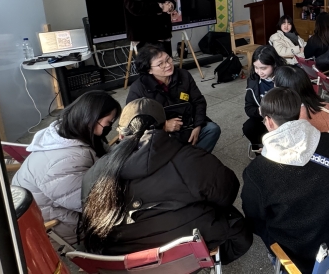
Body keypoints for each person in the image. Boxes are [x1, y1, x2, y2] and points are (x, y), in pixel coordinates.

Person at [81, 99, 252, 263]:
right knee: (233, 220)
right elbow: (227, 192)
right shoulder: (192, 159)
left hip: (119, 259)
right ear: (165, 127)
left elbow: (89, 216)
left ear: (120, 134)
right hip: (186, 254)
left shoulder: (95, 173)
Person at [241, 88, 329, 273]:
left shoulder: (256, 171)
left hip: (301, 255)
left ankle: (277, 258)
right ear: (300, 112)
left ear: (269, 121)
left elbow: (253, 217)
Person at [11, 91, 121, 245]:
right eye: (109, 122)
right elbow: (92, 203)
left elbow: (109, 155)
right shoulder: (66, 161)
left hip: (64, 211)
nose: (110, 127)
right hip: (60, 228)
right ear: (92, 119)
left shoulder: (72, 134)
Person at [126, 45, 221, 153]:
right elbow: (133, 121)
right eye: (160, 64)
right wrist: (163, 126)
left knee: (212, 129)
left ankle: (192, 157)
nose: (168, 65)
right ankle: (184, 158)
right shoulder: (138, 88)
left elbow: (198, 101)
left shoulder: (184, 75)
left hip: (186, 125)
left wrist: (197, 125)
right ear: (149, 70)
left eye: (168, 59)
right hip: (159, 134)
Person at [244, 45, 287, 151]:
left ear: (274, 64)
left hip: (284, 120)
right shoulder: (253, 80)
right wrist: (259, 111)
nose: (259, 72)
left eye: (263, 68)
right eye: (256, 67)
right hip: (263, 118)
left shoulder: (285, 78)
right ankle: (261, 151)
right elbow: (248, 107)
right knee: (248, 127)